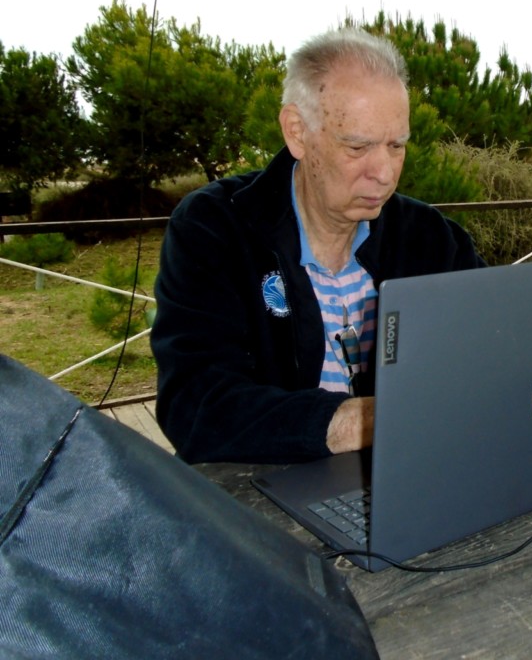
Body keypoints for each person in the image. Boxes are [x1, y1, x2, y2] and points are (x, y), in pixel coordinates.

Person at [151, 27, 485, 464]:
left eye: (396, 145)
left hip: (408, 470)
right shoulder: (214, 228)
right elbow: (193, 404)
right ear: (297, 132)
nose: (383, 172)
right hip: (263, 486)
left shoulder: (430, 236)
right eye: (358, 145)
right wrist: (365, 421)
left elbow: (488, 352)